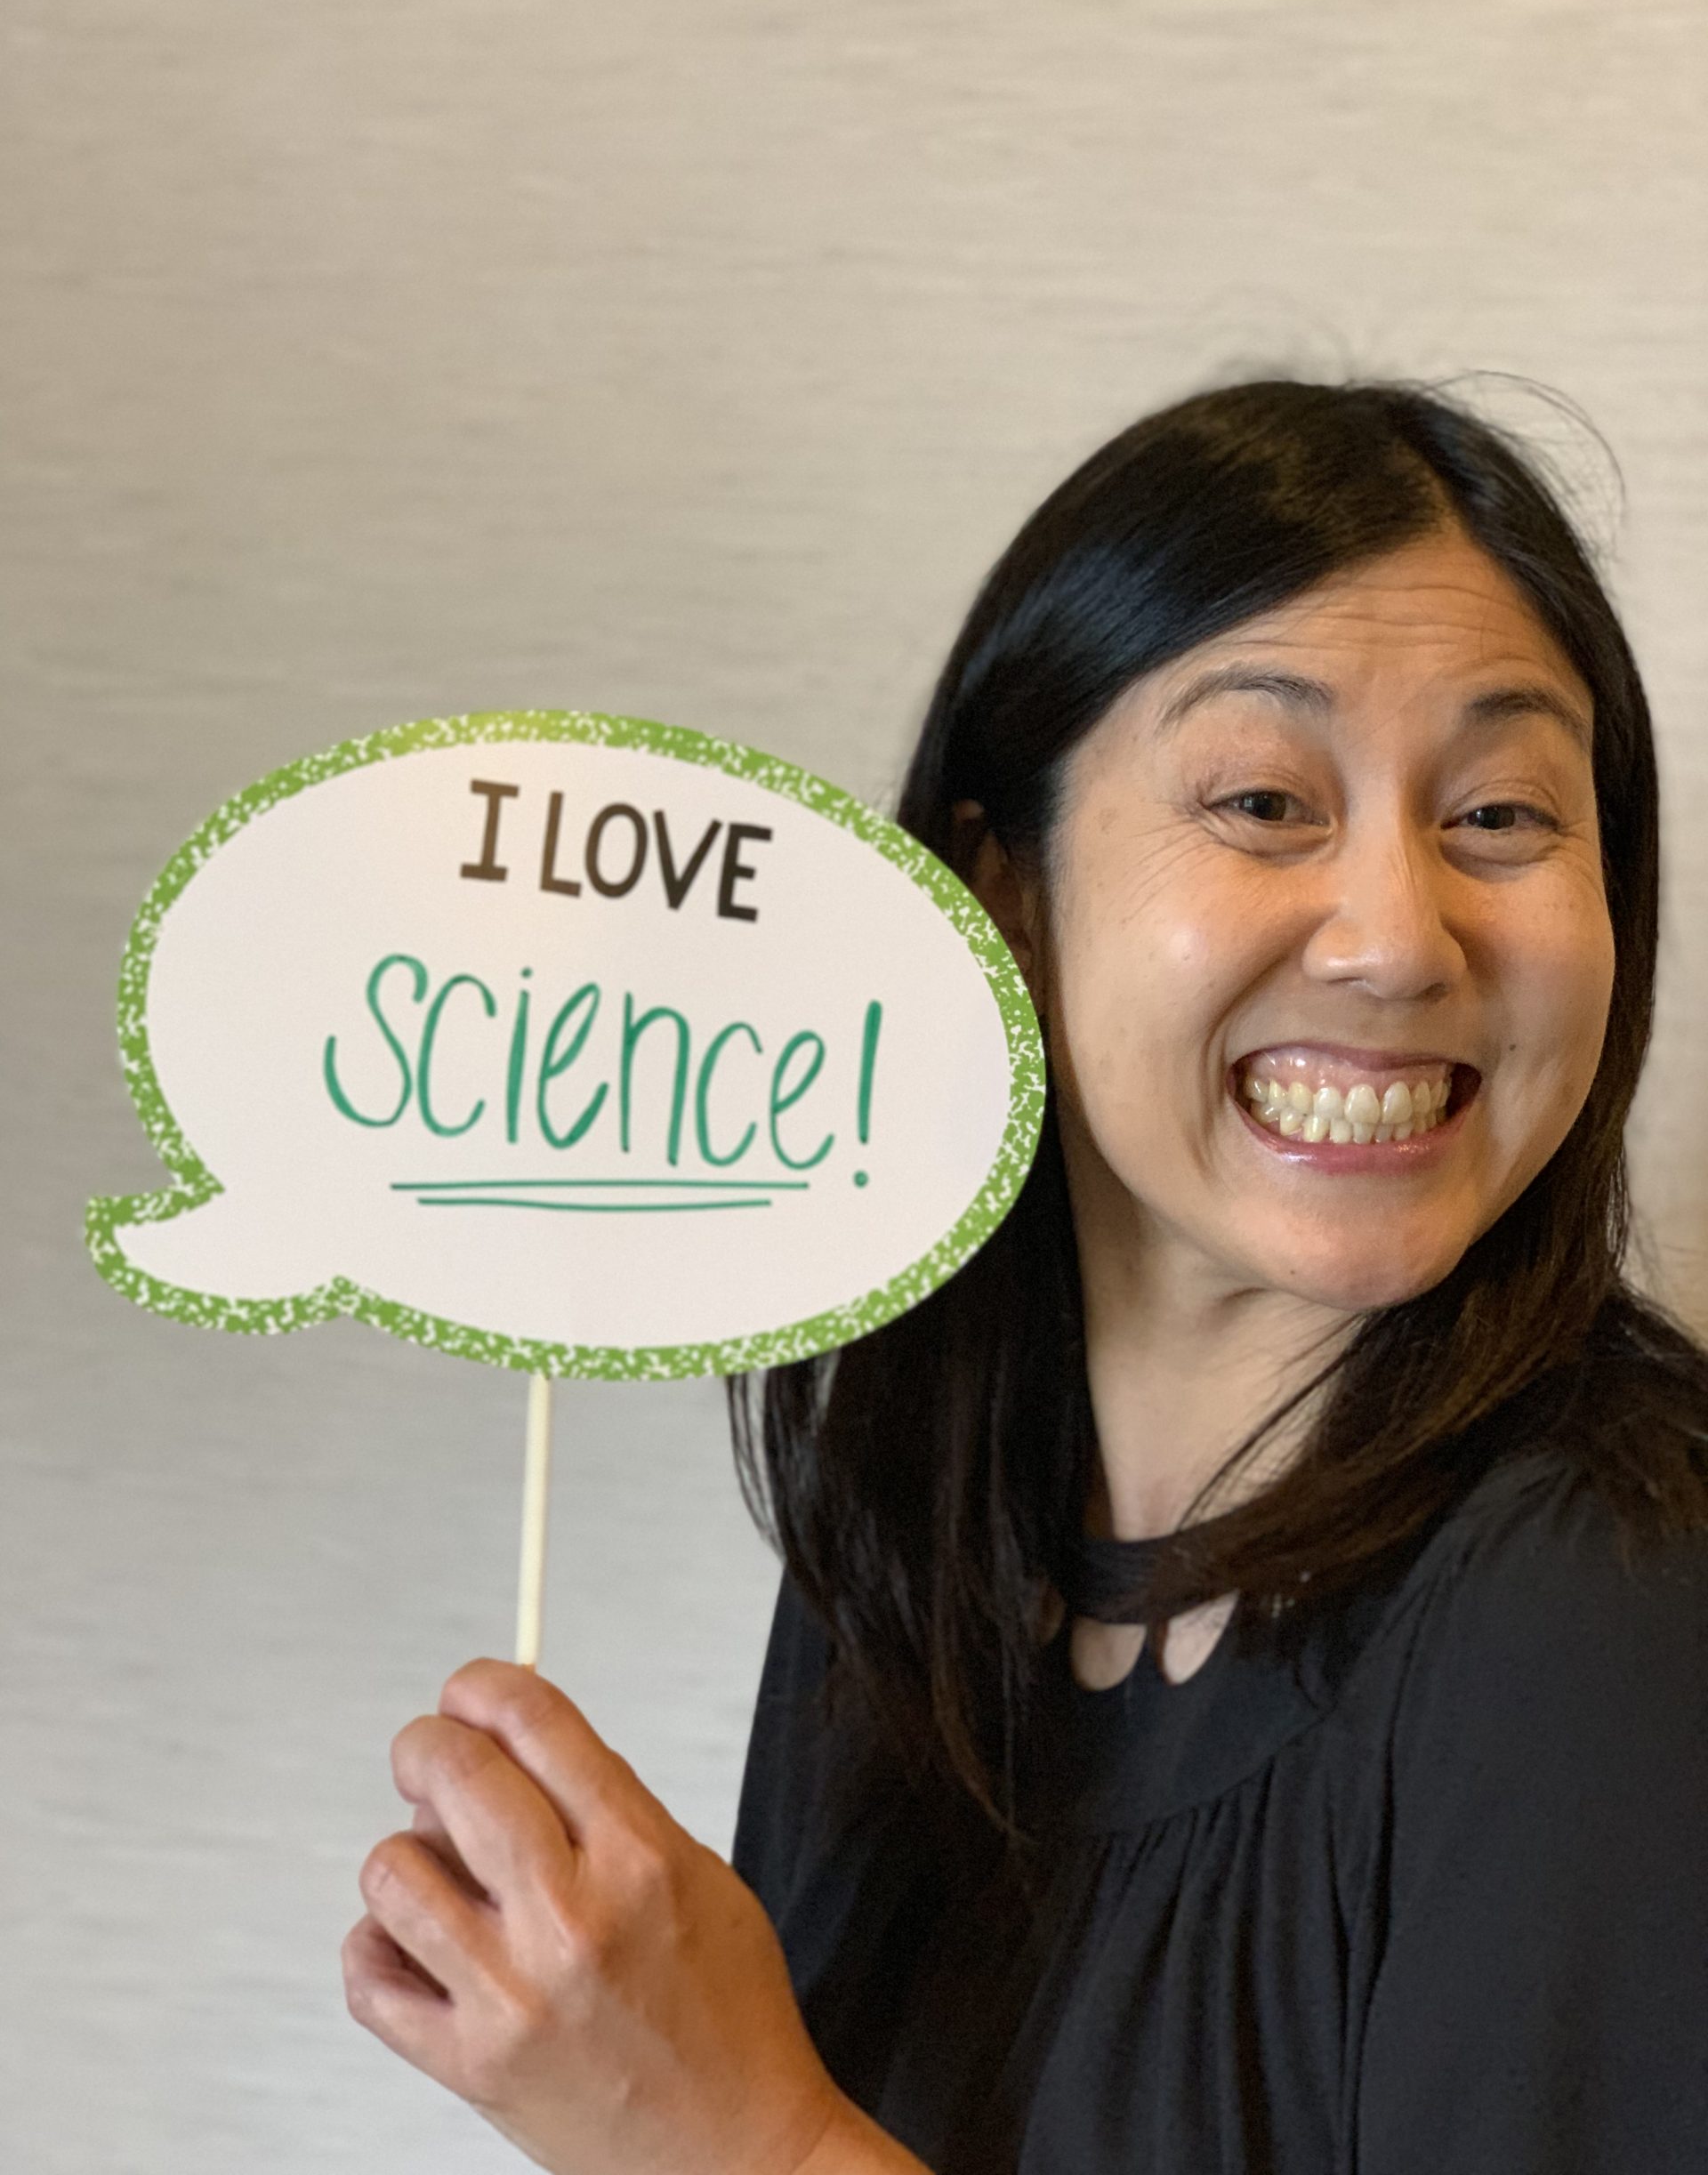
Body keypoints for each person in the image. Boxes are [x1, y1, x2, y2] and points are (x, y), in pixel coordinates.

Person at [344, 377, 1708, 2175]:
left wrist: (738, 2138)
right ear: (1004, 891)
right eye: (1265, 799)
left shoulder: (1615, 1604)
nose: (1398, 939)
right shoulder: (915, 1530)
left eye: (1503, 816)